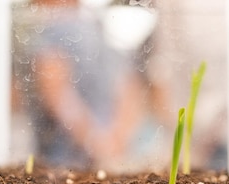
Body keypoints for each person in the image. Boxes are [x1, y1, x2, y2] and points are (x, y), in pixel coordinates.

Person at [13, 0, 144, 169]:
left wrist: (97, 142)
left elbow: (56, 91)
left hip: (64, 166)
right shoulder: (99, 27)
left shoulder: (53, 31)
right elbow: (130, 88)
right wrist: (114, 142)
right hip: (103, 159)